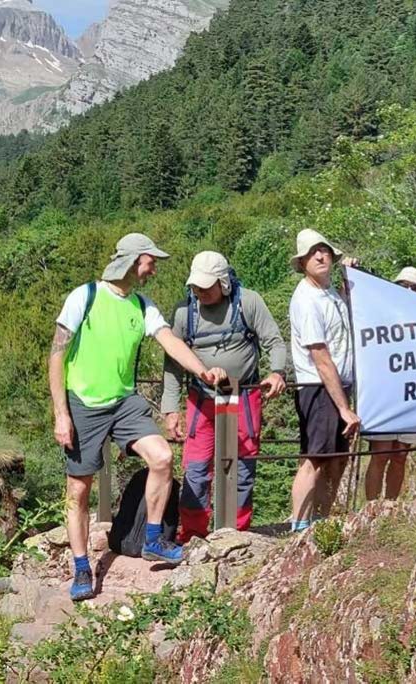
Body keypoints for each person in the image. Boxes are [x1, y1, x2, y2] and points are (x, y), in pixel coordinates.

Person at [49, 233, 227, 601]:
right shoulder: (85, 297)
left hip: (124, 400)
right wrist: (61, 414)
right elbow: (56, 357)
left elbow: (171, 343)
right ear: (133, 261)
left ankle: (152, 539)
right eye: (150, 262)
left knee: (162, 457)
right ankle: (82, 566)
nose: (153, 269)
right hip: (83, 403)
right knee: (79, 490)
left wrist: (203, 371)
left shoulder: (142, 305)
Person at [162, 251, 287, 542]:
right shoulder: (184, 313)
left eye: (207, 286)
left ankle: (236, 533)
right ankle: (192, 534)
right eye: (196, 287)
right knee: (196, 467)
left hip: (244, 395)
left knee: (242, 466)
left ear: (224, 282)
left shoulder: (249, 302)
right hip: (201, 397)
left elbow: (274, 341)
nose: (200, 292)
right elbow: (172, 364)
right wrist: (170, 409)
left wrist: (277, 372)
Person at [288, 229, 361, 531]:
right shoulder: (306, 300)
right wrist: (344, 407)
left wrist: (352, 281)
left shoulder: (331, 292)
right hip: (318, 389)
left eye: (324, 251)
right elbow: (320, 357)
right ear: (302, 262)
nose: (320, 256)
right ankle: (300, 526)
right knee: (314, 459)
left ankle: (321, 523)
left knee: (336, 460)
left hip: (339, 385)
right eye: (312, 253)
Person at [364, 267, 416, 501]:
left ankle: (390, 507)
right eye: (403, 286)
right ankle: (371, 510)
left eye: (414, 288)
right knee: (380, 453)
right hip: (387, 394)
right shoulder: (381, 315)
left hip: (414, 394)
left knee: (400, 455)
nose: (408, 291)